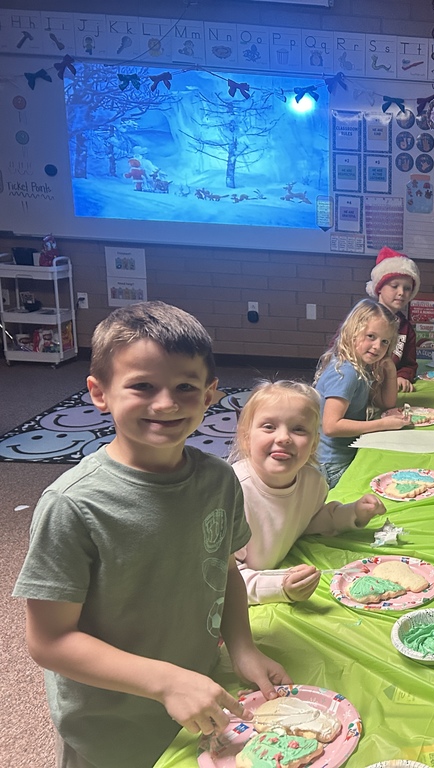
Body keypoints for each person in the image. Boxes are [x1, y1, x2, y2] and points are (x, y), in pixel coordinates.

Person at [13, 301, 290, 768]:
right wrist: (164, 681)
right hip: (111, 725)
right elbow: (49, 641)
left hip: (199, 700)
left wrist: (242, 647)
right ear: (99, 393)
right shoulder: (72, 505)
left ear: (209, 395)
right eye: (142, 386)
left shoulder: (220, 482)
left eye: (185, 387)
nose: (166, 403)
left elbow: (224, 572)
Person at [230, 380, 385, 604]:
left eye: (298, 429)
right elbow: (218, 579)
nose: (283, 438)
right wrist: (279, 586)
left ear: (313, 444)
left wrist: (354, 513)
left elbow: (310, 520)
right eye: (269, 427)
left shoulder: (313, 482)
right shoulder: (231, 495)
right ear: (246, 436)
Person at [314, 298, 411, 488]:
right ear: (353, 332)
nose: (377, 346)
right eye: (371, 336)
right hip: (332, 465)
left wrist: (391, 371)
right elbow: (331, 426)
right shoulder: (347, 373)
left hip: (342, 456)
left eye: (385, 342)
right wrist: (382, 424)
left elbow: (387, 403)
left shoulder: (362, 366)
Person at [366, 245, 422, 392]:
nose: (401, 292)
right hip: (359, 388)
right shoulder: (362, 318)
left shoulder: (406, 328)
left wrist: (402, 376)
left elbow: (409, 364)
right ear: (379, 288)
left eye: (407, 288)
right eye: (394, 286)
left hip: (387, 390)